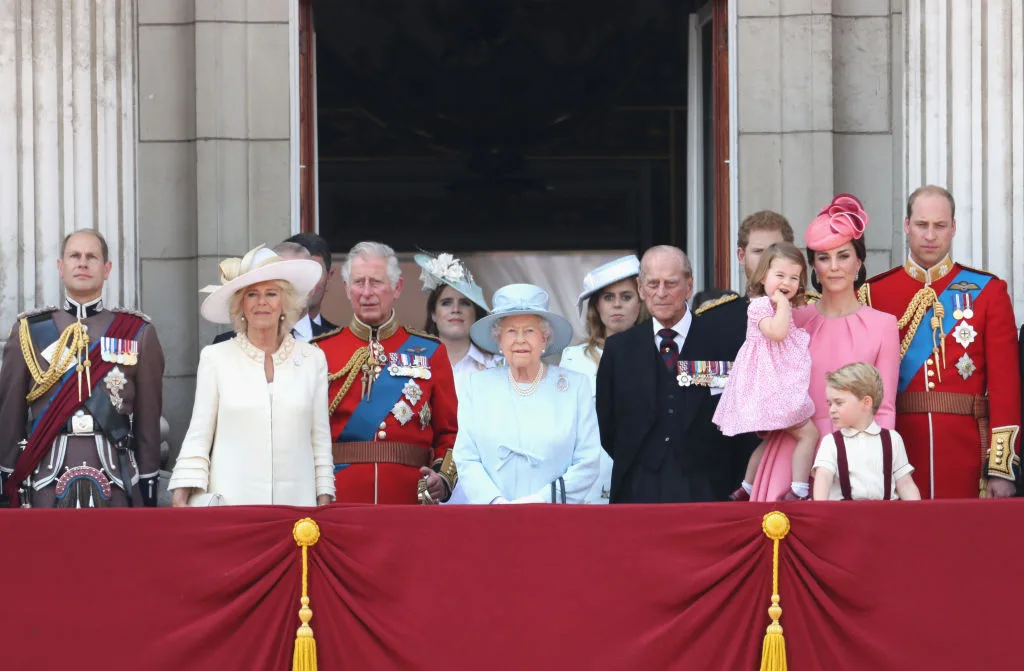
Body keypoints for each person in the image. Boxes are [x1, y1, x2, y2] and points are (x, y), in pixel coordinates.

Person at [860, 185, 1021, 498]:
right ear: (906, 226)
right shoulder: (873, 294)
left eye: (940, 225)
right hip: (898, 450)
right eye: (922, 225)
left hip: (968, 453)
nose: (930, 235)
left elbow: (1006, 388)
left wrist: (1001, 467)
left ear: (954, 228)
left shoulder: (987, 292)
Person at [0, 229, 164, 508]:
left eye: (92, 257)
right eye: (74, 256)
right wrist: (6, 478)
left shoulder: (137, 332)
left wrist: (148, 482)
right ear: (60, 267)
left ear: (107, 268)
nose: (83, 263)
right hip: (45, 477)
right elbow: (10, 414)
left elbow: (149, 419)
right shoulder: (29, 331)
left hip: (116, 476)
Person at [751, 193, 900, 501]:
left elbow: (884, 408)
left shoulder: (883, 325)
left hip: (855, 458)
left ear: (859, 262)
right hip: (792, 454)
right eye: (823, 257)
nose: (834, 267)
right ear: (812, 266)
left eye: (843, 256)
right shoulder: (792, 321)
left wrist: (876, 464)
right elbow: (763, 380)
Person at [169, 245, 334, 506]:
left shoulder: (313, 359)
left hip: (298, 510)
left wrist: (324, 501)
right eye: (252, 294)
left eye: (271, 293)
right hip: (233, 508)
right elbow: (199, 436)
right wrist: (180, 499)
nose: (261, 303)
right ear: (240, 305)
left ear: (285, 303)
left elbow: (320, 442)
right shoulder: (216, 357)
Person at [314, 241, 458, 504]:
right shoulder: (319, 353)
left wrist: (442, 477)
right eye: (359, 282)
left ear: (397, 288)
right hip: (339, 499)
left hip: (409, 499)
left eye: (376, 282)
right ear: (347, 289)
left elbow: (449, 433)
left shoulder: (431, 352)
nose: (366, 292)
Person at [596, 245, 736, 503]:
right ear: (640, 288)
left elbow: (736, 418)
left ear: (689, 286)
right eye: (652, 284)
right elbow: (608, 425)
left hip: (707, 490)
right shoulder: (619, 350)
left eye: (670, 283)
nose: (661, 293)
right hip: (637, 490)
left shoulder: (722, 343)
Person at [454, 284, 600, 503]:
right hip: (492, 517)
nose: (520, 339)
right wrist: (495, 503)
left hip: (553, 517)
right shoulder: (477, 386)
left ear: (544, 338)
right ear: (499, 340)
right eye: (511, 331)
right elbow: (466, 458)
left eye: (529, 330)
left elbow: (587, 461)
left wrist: (539, 502)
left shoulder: (575, 387)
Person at [693, 210, 795, 497]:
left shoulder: (808, 313)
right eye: (757, 252)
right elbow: (691, 383)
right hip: (729, 461)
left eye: (774, 252)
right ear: (740, 255)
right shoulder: (712, 318)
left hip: (796, 458)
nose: (766, 262)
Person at [713, 242, 818, 501]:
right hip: (770, 388)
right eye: (780, 275)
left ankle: (746, 487)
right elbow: (777, 332)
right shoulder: (759, 306)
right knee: (809, 433)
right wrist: (783, 304)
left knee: (771, 440)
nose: (787, 282)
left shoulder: (780, 308)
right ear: (763, 277)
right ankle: (799, 488)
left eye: (794, 278)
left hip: (775, 386)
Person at [559, 254, 642, 503]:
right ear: (597, 306)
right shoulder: (573, 358)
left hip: (639, 478)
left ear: (641, 303)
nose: (617, 305)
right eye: (608, 297)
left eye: (626, 297)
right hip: (587, 481)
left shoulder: (657, 355)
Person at [812, 363, 920, 501]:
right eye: (830, 403)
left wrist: (918, 516)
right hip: (844, 519)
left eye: (838, 402)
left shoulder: (892, 439)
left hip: (885, 518)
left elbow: (905, 484)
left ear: (866, 402)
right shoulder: (831, 442)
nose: (832, 409)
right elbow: (823, 478)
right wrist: (821, 512)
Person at [415, 251, 497, 385]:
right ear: (433, 314)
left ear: (476, 313)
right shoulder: (413, 365)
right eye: (446, 303)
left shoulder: (495, 365)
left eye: (465, 303)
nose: (455, 309)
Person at [212, 241, 317, 344]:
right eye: (252, 294)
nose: (262, 301)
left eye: (271, 293)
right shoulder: (220, 349)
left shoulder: (327, 345)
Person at [285, 232, 339, 337]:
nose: (305, 280)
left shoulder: (341, 340)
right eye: (297, 271)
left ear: (329, 277)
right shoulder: (257, 338)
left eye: (314, 271)